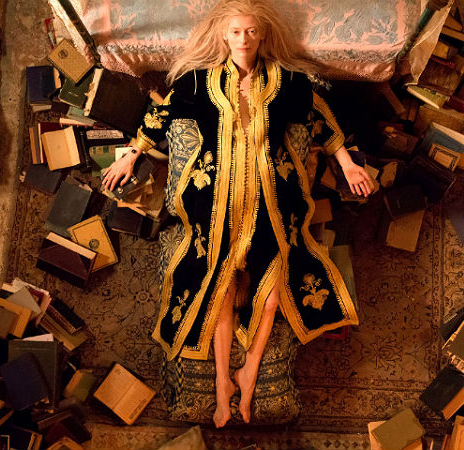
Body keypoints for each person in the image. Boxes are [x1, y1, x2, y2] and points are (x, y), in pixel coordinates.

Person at [102, 0, 374, 428]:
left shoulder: (287, 83)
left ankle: (248, 374)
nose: (243, 39)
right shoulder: (198, 81)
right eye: (235, 32)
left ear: (261, 35)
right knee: (221, 285)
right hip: (215, 201)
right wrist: (131, 155)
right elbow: (161, 113)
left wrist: (348, 164)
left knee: (272, 295)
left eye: (250, 31)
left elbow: (320, 118)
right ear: (223, 36)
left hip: (271, 199)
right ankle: (222, 383)